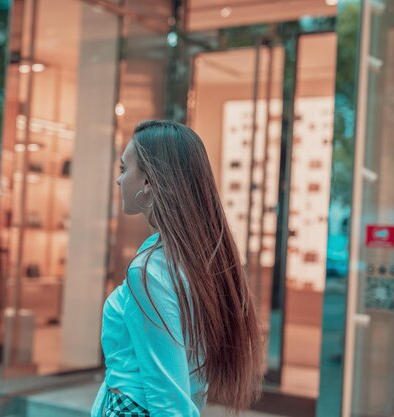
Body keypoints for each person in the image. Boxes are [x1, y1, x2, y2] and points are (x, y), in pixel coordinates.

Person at [91, 120, 264, 417]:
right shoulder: (197, 259)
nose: (119, 181)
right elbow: (190, 384)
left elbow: (168, 398)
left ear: (147, 182)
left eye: (123, 169)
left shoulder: (150, 272)